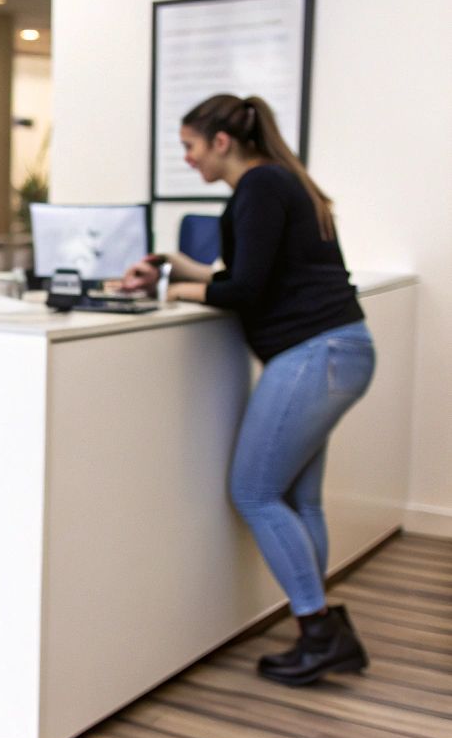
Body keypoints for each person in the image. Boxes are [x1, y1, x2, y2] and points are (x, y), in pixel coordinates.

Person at [121, 93, 373, 687]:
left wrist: (171, 294)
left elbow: (244, 290)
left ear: (222, 142)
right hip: (343, 349)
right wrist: (174, 265)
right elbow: (244, 275)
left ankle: (318, 633)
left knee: (255, 493)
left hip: (314, 354)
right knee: (300, 501)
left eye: (189, 146)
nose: (187, 159)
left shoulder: (259, 188)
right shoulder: (282, 182)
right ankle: (328, 632)